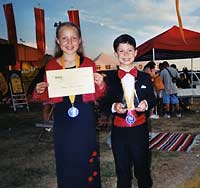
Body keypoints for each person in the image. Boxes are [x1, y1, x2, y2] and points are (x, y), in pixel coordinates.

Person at [33, 22, 106, 188]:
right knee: (66, 156)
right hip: (63, 118)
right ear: (58, 41)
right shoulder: (51, 65)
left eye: (74, 38)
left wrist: (101, 85)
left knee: (86, 154)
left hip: (85, 117)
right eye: (64, 38)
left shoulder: (88, 63)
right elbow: (48, 97)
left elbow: (97, 93)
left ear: (80, 41)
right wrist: (39, 90)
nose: (69, 42)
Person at [101, 34, 155, 188]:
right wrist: (113, 107)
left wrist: (146, 103)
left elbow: (152, 98)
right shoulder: (109, 78)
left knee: (142, 167)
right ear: (115, 54)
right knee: (122, 169)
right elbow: (103, 103)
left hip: (140, 129)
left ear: (136, 52)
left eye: (129, 51)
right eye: (121, 51)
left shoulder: (144, 77)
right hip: (119, 131)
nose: (126, 55)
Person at [27, 54, 53, 122]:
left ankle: (47, 122)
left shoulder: (43, 69)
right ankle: (47, 122)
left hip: (45, 91)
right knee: (47, 107)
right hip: (46, 92)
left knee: (48, 107)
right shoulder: (45, 69)